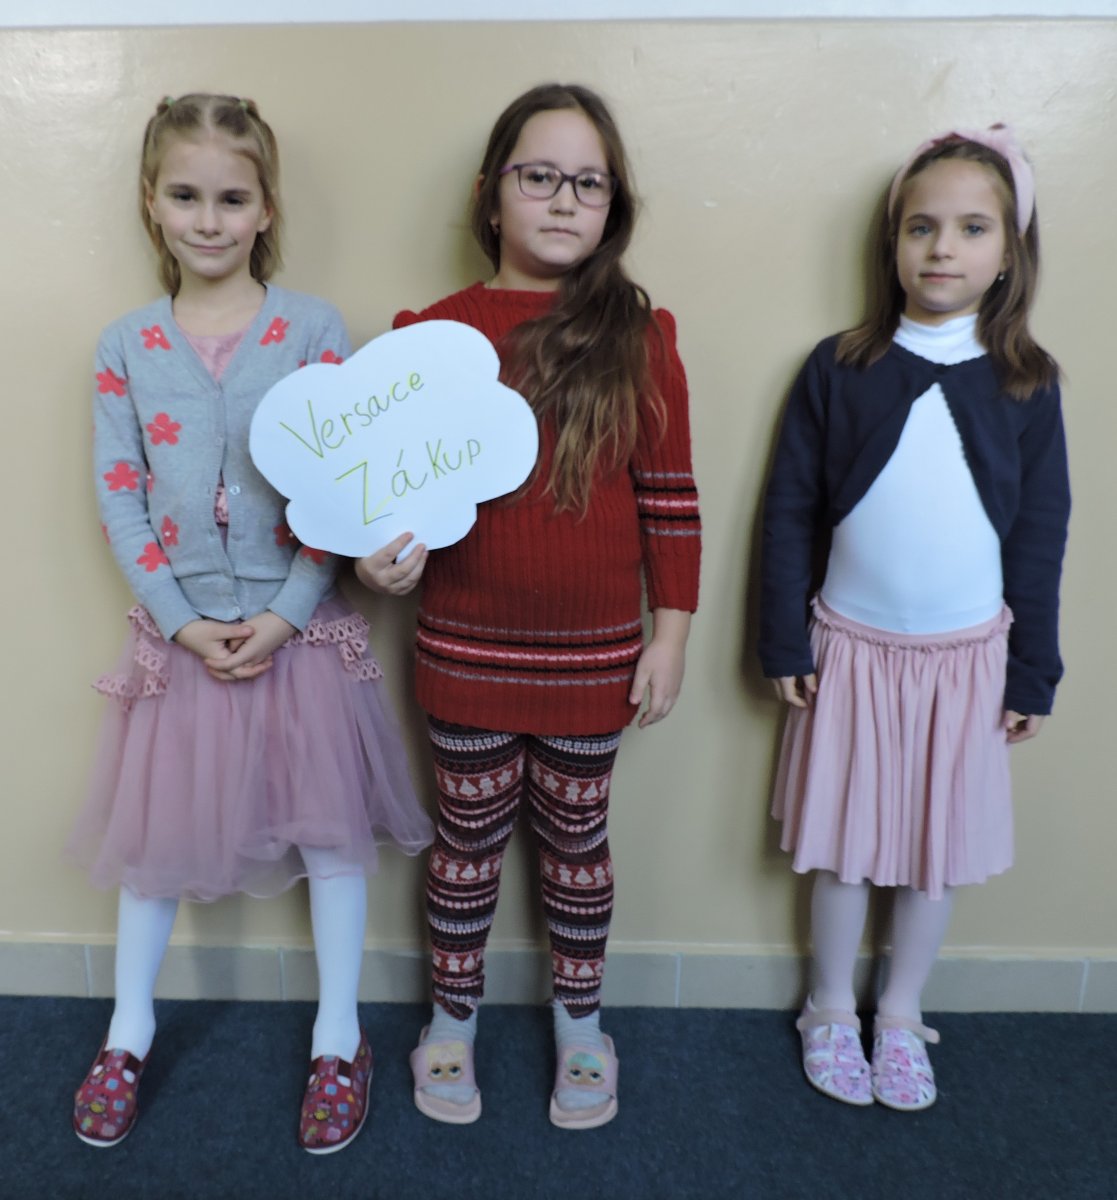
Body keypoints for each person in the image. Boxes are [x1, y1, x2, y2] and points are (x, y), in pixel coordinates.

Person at [68, 93, 432, 1154]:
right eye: (186, 196)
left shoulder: (312, 331)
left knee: (330, 836)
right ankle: (127, 1032)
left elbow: (339, 493)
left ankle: (338, 1038)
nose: (209, 219)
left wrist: (284, 613)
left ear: (266, 207)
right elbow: (121, 499)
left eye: (232, 198)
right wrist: (181, 621)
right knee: (157, 844)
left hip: (298, 639)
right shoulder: (125, 346)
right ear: (152, 202)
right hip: (181, 642)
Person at [357, 83, 701, 1129]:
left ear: (613, 205)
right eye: (540, 175)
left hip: (594, 662)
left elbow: (669, 499)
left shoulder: (641, 336)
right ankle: (449, 1021)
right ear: (490, 192)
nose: (563, 199)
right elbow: (385, 500)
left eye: (588, 183)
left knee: (576, 849)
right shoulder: (432, 336)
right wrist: (379, 562)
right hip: (464, 655)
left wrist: (670, 636)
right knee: (464, 846)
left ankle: (581, 1025)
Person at [759, 125, 1070, 1111]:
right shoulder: (838, 366)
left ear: (1009, 250)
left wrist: (1032, 672)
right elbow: (789, 509)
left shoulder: (1025, 381)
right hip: (849, 652)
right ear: (891, 241)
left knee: (934, 857)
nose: (942, 247)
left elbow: (1040, 534)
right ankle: (826, 1009)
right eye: (920, 226)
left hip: (965, 664)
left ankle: (898, 1014)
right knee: (847, 846)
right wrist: (781, 638)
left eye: (972, 228)